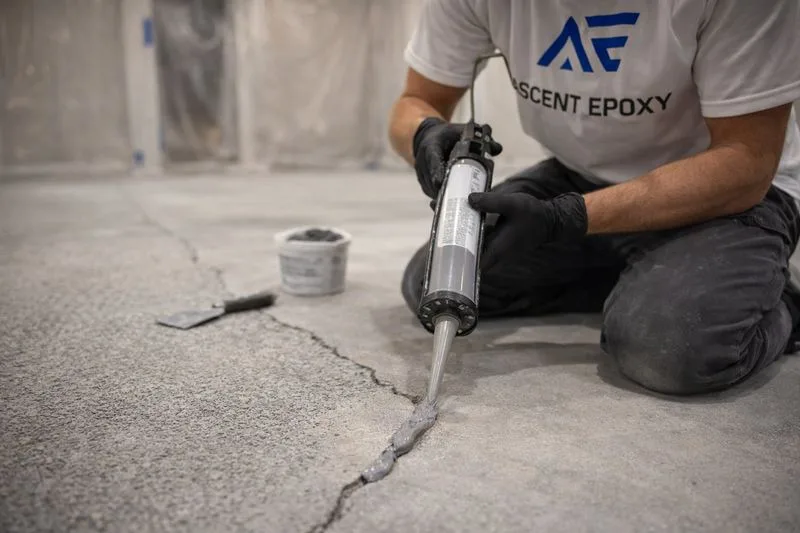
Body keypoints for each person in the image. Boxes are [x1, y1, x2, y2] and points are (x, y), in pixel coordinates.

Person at [390, 0, 800, 395]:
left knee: (666, 350)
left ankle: (777, 301)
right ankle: (642, 276)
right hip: (579, 176)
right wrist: (423, 131)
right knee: (439, 281)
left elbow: (746, 162)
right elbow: (415, 102)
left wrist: (564, 218)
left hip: (719, 193)